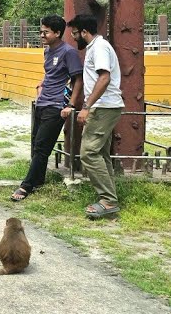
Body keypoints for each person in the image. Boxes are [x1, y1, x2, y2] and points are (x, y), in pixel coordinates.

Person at [11, 14, 81, 201]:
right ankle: (38, 181)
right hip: (42, 102)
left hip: (56, 105)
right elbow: (51, 74)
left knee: (43, 146)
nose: (42, 35)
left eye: (46, 32)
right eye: (41, 31)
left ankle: (25, 186)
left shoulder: (68, 52)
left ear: (58, 33)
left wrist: (70, 105)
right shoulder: (48, 51)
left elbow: (77, 80)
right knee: (36, 144)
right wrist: (42, 84)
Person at [66, 13, 124, 220]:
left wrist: (87, 106)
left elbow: (105, 77)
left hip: (103, 107)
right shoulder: (96, 47)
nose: (73, 38)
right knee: (101, 154)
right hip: (105, 106)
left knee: (89, 152)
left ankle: (108, 200)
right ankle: (110, 198)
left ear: (84, 32)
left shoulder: (99, 47)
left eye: (75, 33)